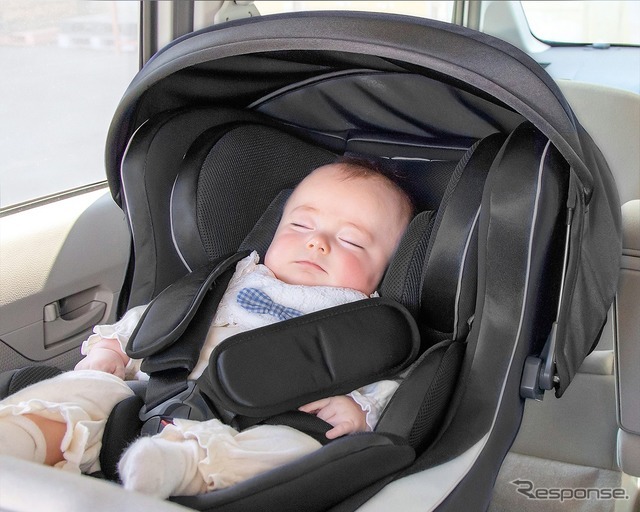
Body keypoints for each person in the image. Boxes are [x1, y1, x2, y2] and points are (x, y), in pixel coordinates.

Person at [0, 159, 414, 498]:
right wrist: (111, 349)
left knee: (295, 448)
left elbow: (388, 381)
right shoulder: (232, 277)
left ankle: (181, 467)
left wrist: (360, 409)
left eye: (351, 241)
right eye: (300, 226)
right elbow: (162, 316)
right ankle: (26, 434)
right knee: (85, 389)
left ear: (386, 268)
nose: (317, 243)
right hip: (154, 393)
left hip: (263, 421)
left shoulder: (364, 321)